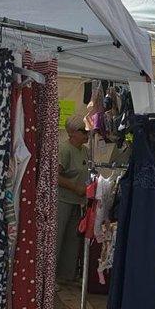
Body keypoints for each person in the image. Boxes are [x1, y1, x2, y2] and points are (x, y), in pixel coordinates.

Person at [56, 116, 90, 286]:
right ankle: (51, 277)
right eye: (84, 131)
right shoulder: (64, 150)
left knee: (72, 239)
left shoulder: (85, 151)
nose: (87, 135)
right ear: (73, 133)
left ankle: (66, 275)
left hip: (78, 201)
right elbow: (55, 176)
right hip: (63, 200)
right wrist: (74, 187)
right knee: (58, 238)